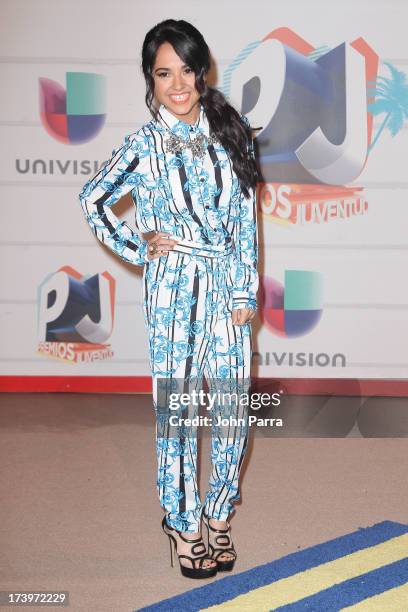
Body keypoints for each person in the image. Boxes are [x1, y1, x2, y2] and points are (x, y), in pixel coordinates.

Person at [78, 18, 259, 580]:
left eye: (186, 69)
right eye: (164, 73)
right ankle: (182, 525)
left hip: (227, 287)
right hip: (175, 288)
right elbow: (94, 200)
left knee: (231, 413)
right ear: (149, 80)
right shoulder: (142, 145)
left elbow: (245, 218)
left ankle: (218, 514)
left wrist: (245, 289)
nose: (177, 84)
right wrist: (140, 247)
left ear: (202, 71)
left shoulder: (232, 131)